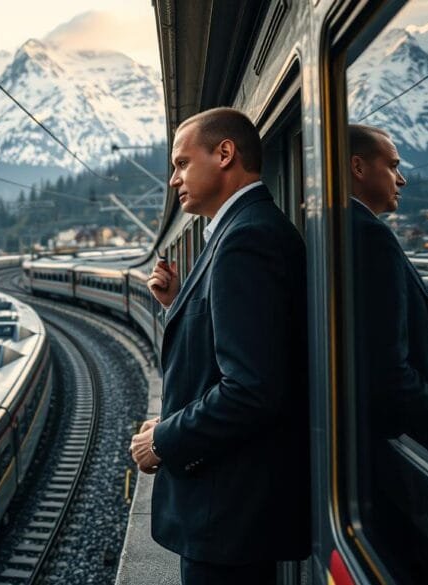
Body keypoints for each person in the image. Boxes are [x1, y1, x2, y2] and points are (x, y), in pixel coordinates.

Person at [129, 107, 309, 584]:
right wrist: (177, 304)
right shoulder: (242, 232)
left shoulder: (246, 240)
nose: (173, 180)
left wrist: (163, 440)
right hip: (233, 514)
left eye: (182, 163)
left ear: (224, 153)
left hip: (229, 516)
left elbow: (252, 390)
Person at [349, 124, 428, 583]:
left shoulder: (344, 230)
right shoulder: (370, 236)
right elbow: (388, 373)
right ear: (358, 167)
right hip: (389, 461)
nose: (401, 179)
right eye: (394, 166)